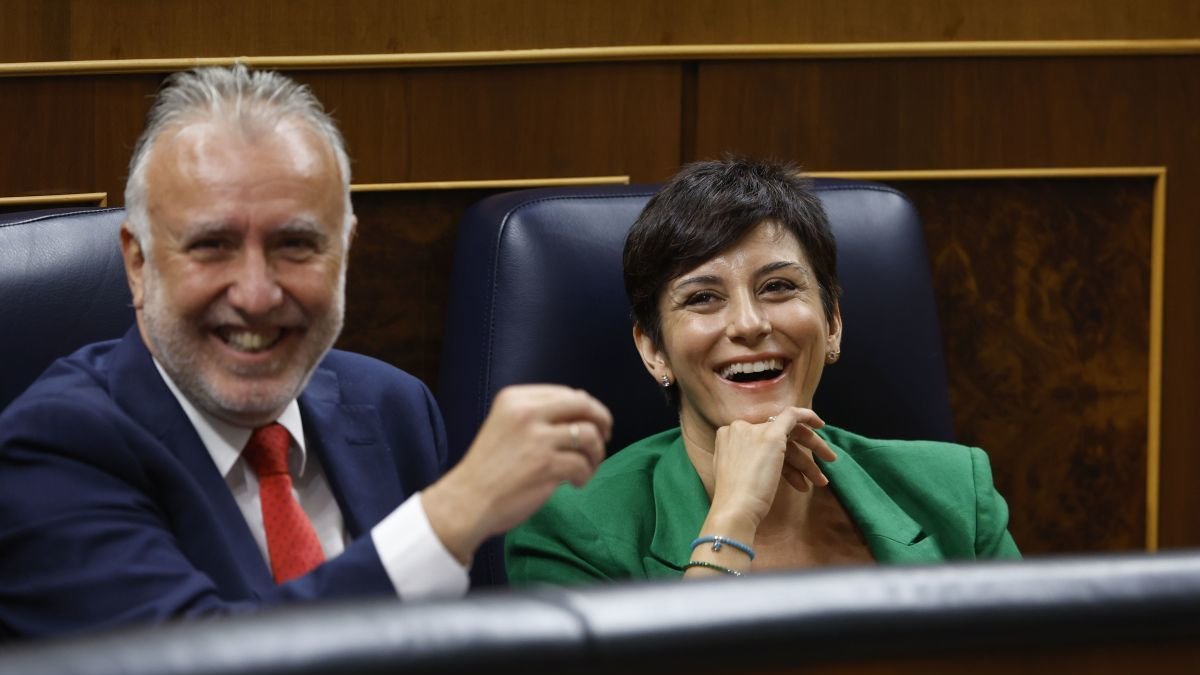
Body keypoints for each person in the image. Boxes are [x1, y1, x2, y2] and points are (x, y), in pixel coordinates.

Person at [0, 65, 611, 639]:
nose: (258, 295)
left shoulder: (395, 409)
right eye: (212, 245)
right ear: (138, 263)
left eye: (296, 244)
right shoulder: (52, 448)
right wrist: (446, 519)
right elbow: (187, 659)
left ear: (344, 252)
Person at [505, 158, 1019, 584]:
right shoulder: (570, 531)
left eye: (778, 287)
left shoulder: (957, 493)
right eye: (703, 298)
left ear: (833, 323)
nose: (749, 324)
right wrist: (732, 519)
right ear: (654, 351)